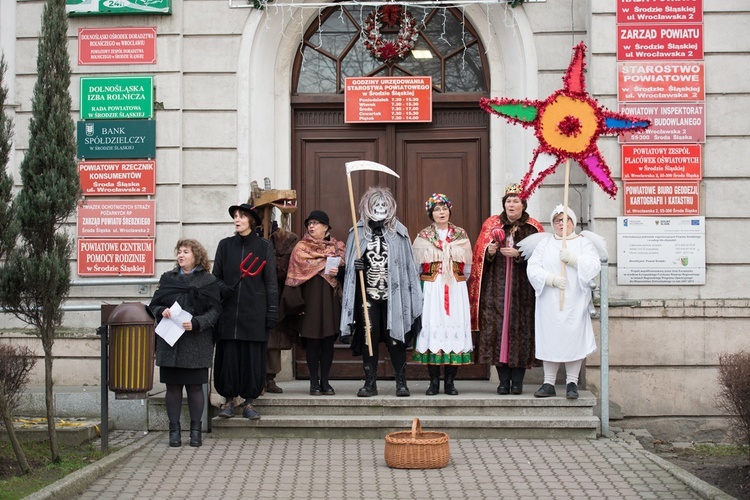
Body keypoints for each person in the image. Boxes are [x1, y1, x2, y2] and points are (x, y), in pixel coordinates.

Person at [340, 186, 423, 397]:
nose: (379, 208)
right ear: (367, 207)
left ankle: (401, 382)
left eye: (383, 205)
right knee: (370, 336)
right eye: (375, 205)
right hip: (368, 296)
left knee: (396, 338)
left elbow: (407, 267)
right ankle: (370, 382)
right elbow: (349, 269)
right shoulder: (357, 233)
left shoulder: (399, 232)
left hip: (394, 295)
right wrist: (356, 266)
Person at [469, 183, 543, 395]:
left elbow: (542, 259)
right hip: (497, 289)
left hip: (522, 291)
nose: (511, 204)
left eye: (516, 201)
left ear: (523, 204)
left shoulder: (533, 228)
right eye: (508, 201)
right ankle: (503, 381)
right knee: (497, 331)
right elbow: (479, 256)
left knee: (520, 331)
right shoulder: (492, 224)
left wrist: (519, 256)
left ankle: (518, 382)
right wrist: (490, 251)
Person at [149, 239, 222, 447]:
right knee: (172, 388)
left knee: (194, 388)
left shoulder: (208, 281)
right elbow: (154, 305)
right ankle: (174, 432)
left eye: (186, 252)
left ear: (196, 256)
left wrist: (197, 323)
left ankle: (196, 432)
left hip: (196, 342)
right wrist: (160, 311)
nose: (181, 255)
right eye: (179, 252)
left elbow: (215, 311)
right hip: (170, 343)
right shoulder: (167, 278)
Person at [526, 205, 601, 399]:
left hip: (574, 300)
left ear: (572, 222)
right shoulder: (545, 244)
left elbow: (594, 265)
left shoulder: (583, 244)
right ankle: (548, 383)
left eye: (565, 220)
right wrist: (550, 279)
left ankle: (571, 383)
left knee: (572, 340)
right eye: (557, 220)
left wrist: (574, 259)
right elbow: (532, 268)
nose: (561, 224)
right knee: (550, 339)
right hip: (549, 301)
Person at [213, 203, 278, 419]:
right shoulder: (225, 246)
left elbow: (270, 282)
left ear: (251, 220)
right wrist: (224, 289)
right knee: (229, 357)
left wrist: (272, 311)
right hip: (229, 313)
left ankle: (249, 403)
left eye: (241, 216)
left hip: (254, 312)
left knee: (252, 357)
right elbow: (216, 278)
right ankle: (229, 401)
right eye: (235, 216)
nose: (236, 220)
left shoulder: (263, 246)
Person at [412, 193, 473, 395]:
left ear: (449, 211)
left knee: (452, 329)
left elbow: (468, 268)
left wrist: (454, 278)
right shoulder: (423, 237)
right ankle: (433, 382)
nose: (441, 212)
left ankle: (450, 382)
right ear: (431, 213)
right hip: (431, 289)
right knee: (432, 328)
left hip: (454, 288)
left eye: (444, 209)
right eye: (437, 209)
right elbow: (416, 266)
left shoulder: (460, 235)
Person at [281, 210, 346, 395]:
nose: (311, 226)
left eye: (316, 223)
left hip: (330, 301)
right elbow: (293, 277)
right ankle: (313, 382)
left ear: (326, 227)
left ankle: (325, 381)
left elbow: (347, 275)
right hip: (309, 302)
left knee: (327, 342)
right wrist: (297, 305)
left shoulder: (336, 248)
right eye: (309, 223)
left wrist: (339, 273)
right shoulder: (301, 248)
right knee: (313, 343)